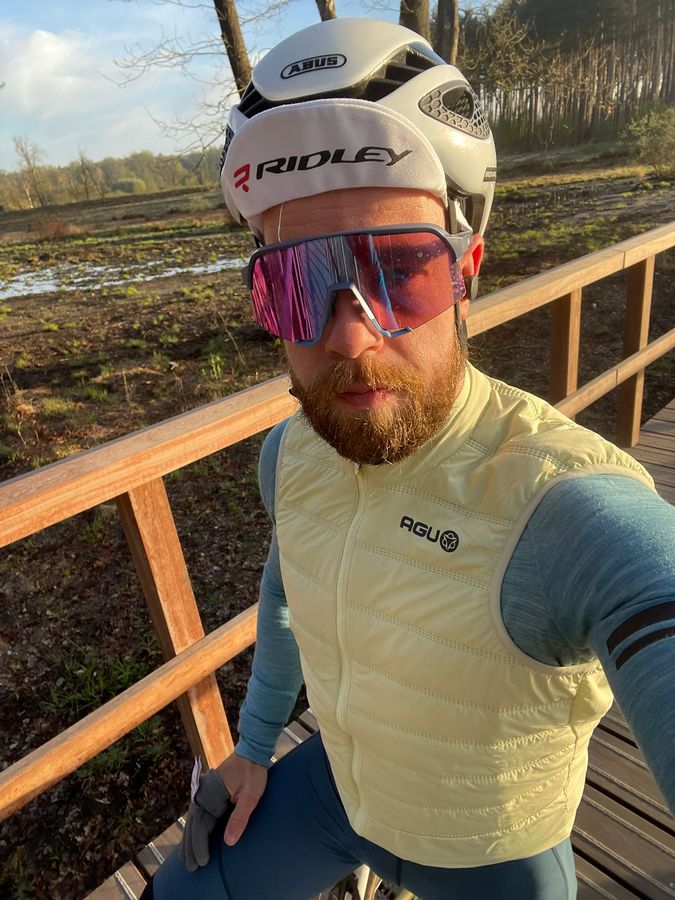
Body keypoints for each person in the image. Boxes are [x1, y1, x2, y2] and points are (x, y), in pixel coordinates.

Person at [146, 17, 675, 900]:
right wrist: (250, 749)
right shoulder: (290, 454)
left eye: (398, 271)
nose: (350, 337)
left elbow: (646, 582)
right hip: (340, 797)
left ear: (466, 270)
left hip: (491, 849)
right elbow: (284, 592)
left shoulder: (562, 506)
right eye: (298, 285)